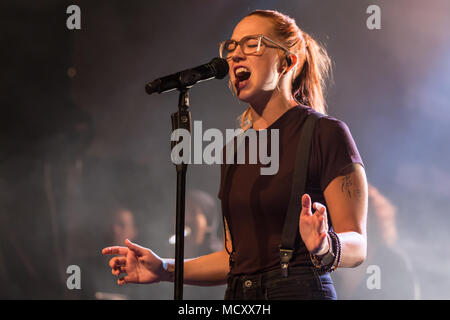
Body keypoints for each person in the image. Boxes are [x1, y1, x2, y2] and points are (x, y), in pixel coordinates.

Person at [102, 9, 368, 300]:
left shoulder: (325, 133)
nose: (235, 55)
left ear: (286, 62)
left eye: (252, 44)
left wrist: (325, 246)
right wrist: (165, 269)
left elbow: (357, 244)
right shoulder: (233, 151)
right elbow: (234, 259)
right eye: (231, 47)